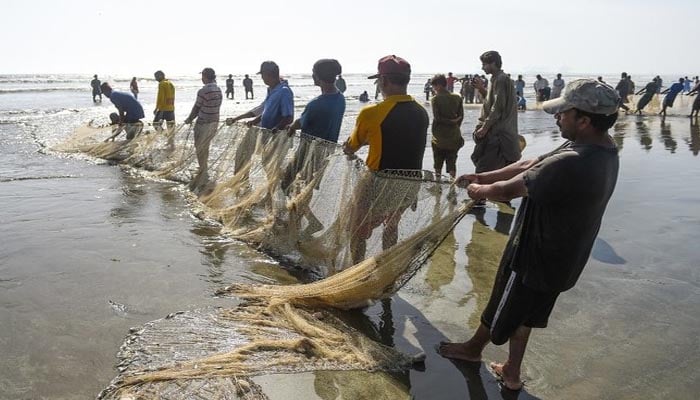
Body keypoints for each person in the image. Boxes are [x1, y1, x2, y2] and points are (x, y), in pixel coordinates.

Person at [439, 79, 621, 391]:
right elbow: (530, 164)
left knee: (502, 304)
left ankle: (472, 350)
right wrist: (482, 174)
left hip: (533, 255)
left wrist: (476, 189)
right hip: (565, 258)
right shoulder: (599, 148)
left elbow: (507, 190)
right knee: (528, 314)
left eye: (563, 112)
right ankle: (511, 372)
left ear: (585, 120)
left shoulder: (571, 162)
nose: (557, 117)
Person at [342, 54, 429, 263]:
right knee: (392, 225)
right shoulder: (421, 111)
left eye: (378, 80)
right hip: (409, 183)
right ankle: (386, 268)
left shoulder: (372, 112)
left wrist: (350, 147)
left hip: (378, 182)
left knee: (356, 229)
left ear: (384, 81)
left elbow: (353, 145)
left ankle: (357, 273)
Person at [470, 51, 521, 177]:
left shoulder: (501, 79)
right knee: (484, 166)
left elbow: (497, 107)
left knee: (484, 171)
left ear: (493, 63)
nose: (482, 67)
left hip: (499, 135)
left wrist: (484, 128)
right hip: (496, 133)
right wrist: (481, 89)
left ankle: (482, 196)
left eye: (484, 64)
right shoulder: (495, 79)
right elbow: (491, 102)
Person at [286, 59, 345, 143]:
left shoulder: (315, 104)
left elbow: (300, 123)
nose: (312, 75)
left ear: (318, 76)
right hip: (329, 150)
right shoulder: (340, 99)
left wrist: (291, 127)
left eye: (313, 72)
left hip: (310, 151)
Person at [183, 67, 222, 188]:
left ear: (205, 76)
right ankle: (203, 168)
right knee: (206, 146)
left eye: (203, 76)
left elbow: (197, 107)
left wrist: (189, 119)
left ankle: (202, 169)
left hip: (203, 123)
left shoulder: (203, 90)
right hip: (214, 121)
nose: (202, 78)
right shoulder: (218, 89)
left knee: (199, 146)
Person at [227, 61, 294, 130]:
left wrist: (276, 129)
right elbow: (267, 112)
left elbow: (288, 117)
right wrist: (254, 121)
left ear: (269, 74)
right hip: (266, 132)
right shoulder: (271, 90)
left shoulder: (284, 91)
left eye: (262, 75)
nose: (262, 78)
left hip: (276, 135)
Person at [430, 74, 464, 180]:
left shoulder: (435, 99)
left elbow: (437, 118)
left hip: (439, 137)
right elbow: (461, 116)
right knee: (452, 162)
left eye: (434, 86)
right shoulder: (457, 97)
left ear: (439, 85)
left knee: (438, 162)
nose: (433, 88)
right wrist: (454, 125)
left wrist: (449, 122)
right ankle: (452, 183)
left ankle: (438, 183)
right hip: (454, 136)